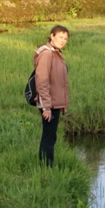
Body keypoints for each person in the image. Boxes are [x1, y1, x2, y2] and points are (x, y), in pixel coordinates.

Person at [34, 24, 69, 166]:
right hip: (49, 103)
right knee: (49, 137)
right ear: (52, 36)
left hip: (54, 103)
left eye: (65, 38)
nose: (63, 41)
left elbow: (59, 82)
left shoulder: (56, 53)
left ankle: (46, 166)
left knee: (51, 136)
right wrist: (46, 107)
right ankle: (47, 167)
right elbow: (41, 81)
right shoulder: (47, 54)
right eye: (60, 37)